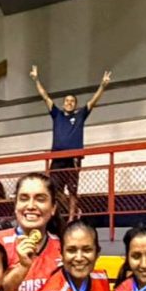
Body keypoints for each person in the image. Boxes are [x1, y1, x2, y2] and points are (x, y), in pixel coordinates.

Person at [30, 64, 112, 222]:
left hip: (73, 158)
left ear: (75, 104)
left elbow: (93, 102)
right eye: (67, 101)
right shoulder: (57, 115)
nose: (69, 103)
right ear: (63, 104)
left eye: (72, 101)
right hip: (57, 158)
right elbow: (45, 96)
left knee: (73, 190)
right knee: (54, 189)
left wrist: (102, 86)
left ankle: (72, 218)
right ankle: (67, 211)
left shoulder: (80, 115)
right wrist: (36, 80)